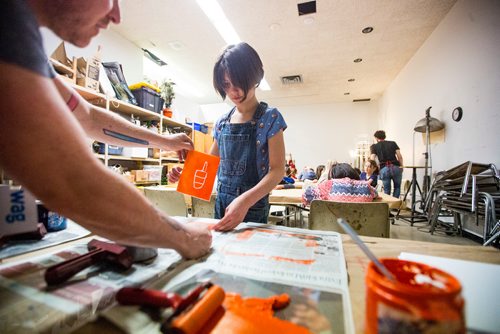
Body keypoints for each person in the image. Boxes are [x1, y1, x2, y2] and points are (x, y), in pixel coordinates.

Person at [0, 0, 211, 259]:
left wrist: (164, 141)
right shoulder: (7, 21)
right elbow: (71, 181)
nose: (116, 15)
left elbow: (87, 117)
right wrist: (184, 237)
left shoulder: (20, 39)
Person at [170, 42, 286, 231]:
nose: (234, 91)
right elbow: (209, 164)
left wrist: (245, 201)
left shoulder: (270, 118)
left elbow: (277, 171)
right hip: (222, 204)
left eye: (240, 81)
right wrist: (185, 174)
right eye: (226, 84)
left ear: (255, 76)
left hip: (253, 206)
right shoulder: (222, 122)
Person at [302, 163, 378, 206]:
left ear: (333, 174)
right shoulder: (366, 186)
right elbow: (375, 194)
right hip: (363, 231)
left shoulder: (329, 184)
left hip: (332, 229)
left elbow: (305, 196)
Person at [370, 130, 404, 198]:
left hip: (384, 168)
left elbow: (372, 159)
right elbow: (399, 156)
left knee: (386, 189)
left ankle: (388, 206)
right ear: (384, 136)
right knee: (397, 187)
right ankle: (394, 207)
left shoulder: (374, 146)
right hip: (396, 167)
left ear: (376, 138)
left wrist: (375, 169)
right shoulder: (393, 143)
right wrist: (401, 166)